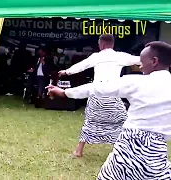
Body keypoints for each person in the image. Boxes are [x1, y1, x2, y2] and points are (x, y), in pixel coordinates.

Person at [47, 41, 171, 179]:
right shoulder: (123, 59)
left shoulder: (136, 82)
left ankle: (79, 149)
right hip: (157, 153)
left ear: (154, 61)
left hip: (128, 150)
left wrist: (65, 92)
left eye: (142, 62)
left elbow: (95, 88)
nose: (140, 66)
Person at [58, 34, 142, 157]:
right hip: (113, 95)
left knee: (90, 121)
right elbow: (139, 59)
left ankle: (79, 150)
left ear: (101, 45)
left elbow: (81, 66)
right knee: (122, 122)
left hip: (96, 94)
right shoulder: (120, 56)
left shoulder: (96, 57)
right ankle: (122, 150)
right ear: (112, 44)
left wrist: (66, 71)